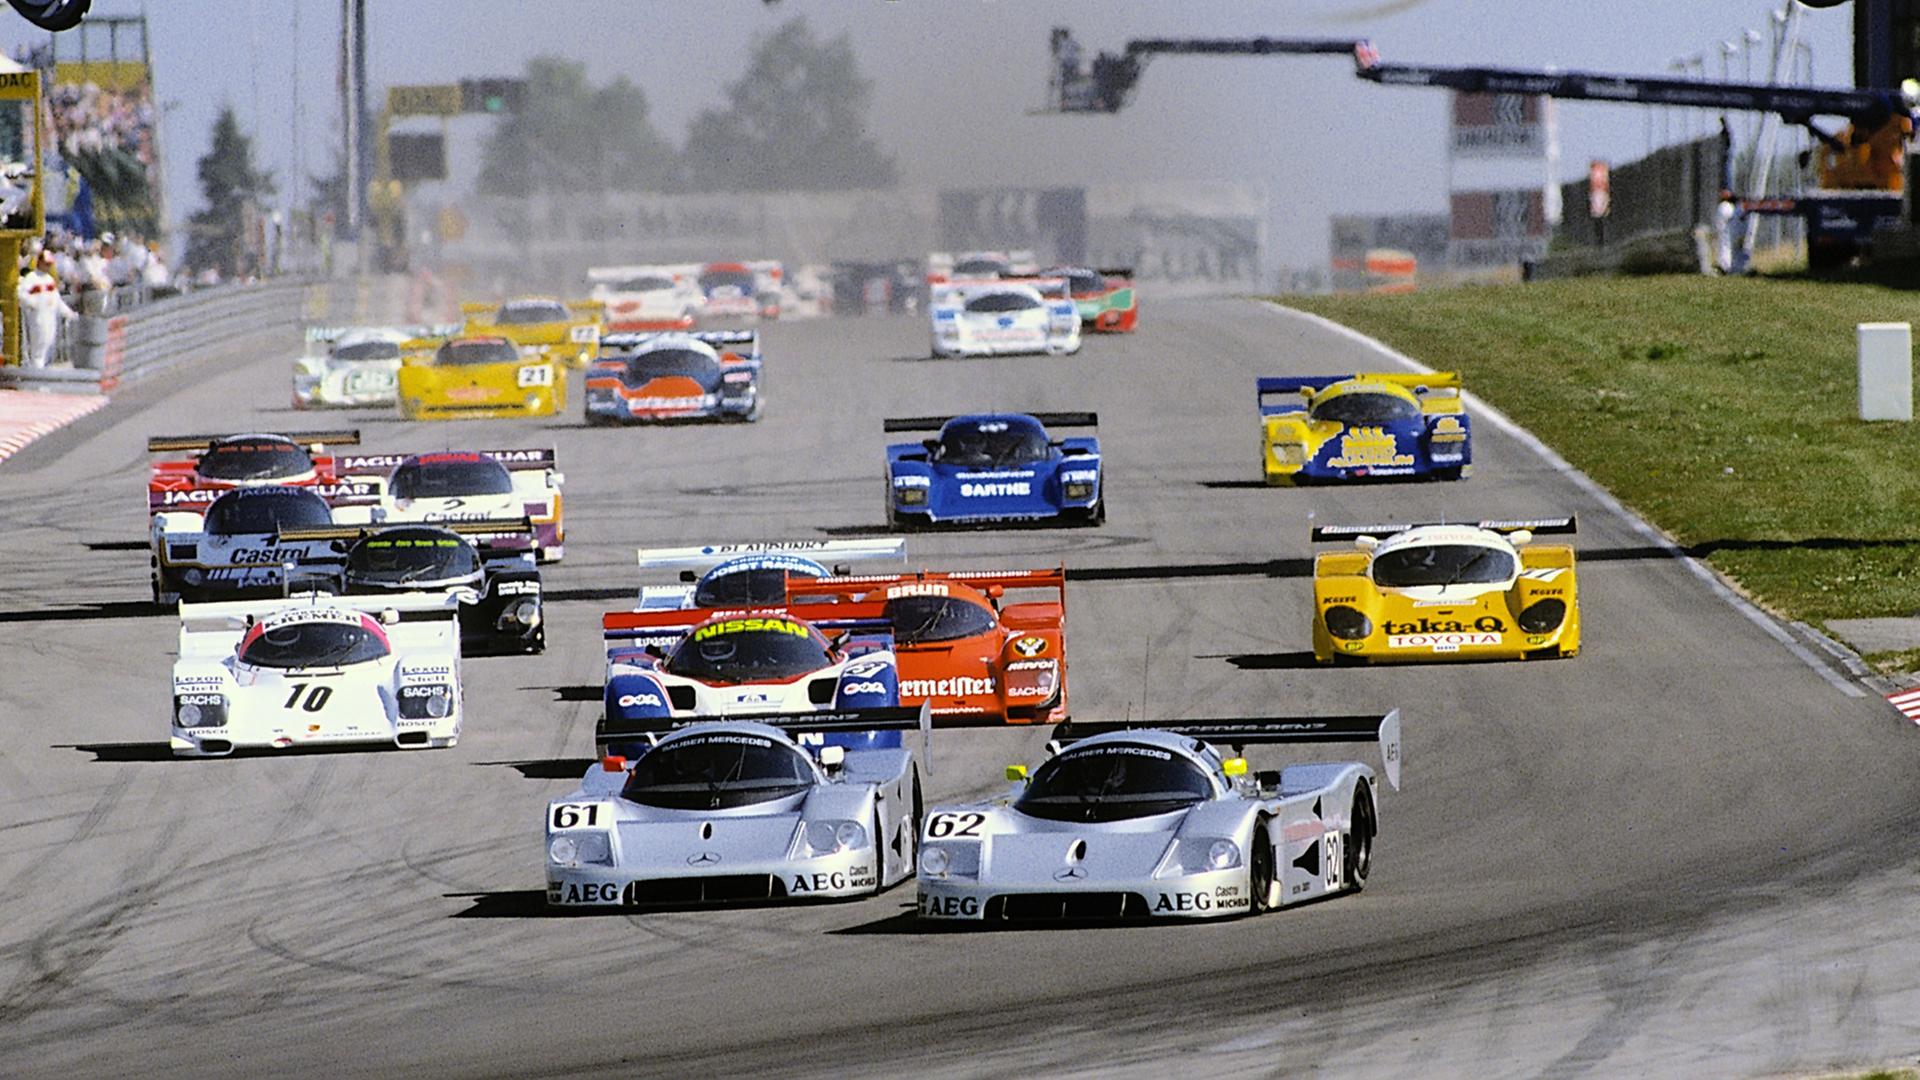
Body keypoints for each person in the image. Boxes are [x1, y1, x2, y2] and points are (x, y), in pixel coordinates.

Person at [18, 250, 76, 368]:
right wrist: (33, 304)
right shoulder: (31, 278)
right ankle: (37, 379)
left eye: (49, 264)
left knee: (49, 349)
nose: (47, 266)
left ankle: (42, 377)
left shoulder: (49, 279)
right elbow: (20, 294)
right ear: (39, 262)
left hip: (50, 318)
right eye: (45, 263)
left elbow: (57, 301)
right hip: (38, 318)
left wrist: (69, 313)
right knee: (38, 351)